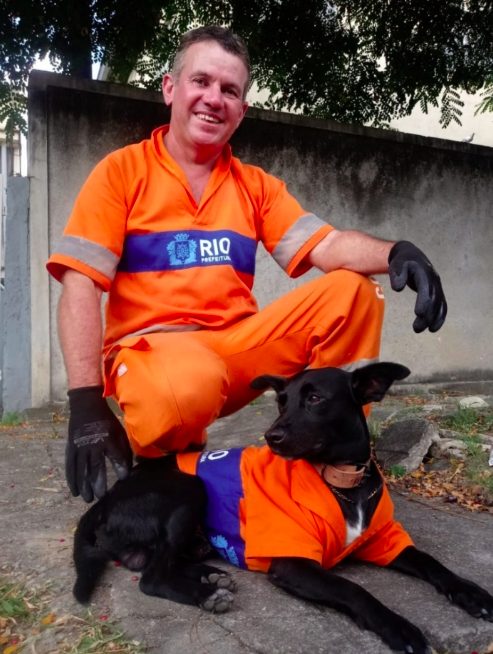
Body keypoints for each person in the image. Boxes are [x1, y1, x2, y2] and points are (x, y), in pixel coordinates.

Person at [47, 25, 447, 503]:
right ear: (170, 89)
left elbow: (328, 245)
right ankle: (166, 464)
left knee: (354, 291)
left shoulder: (254, 185)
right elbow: (79, 287)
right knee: (183, 386)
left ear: (242, 110)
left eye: (229, 90)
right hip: (157, 355)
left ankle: (336, 457)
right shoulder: (120, 173)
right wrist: (86, 401)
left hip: (239, 348)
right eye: (201, 82)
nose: (214, 98)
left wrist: (397, 252)